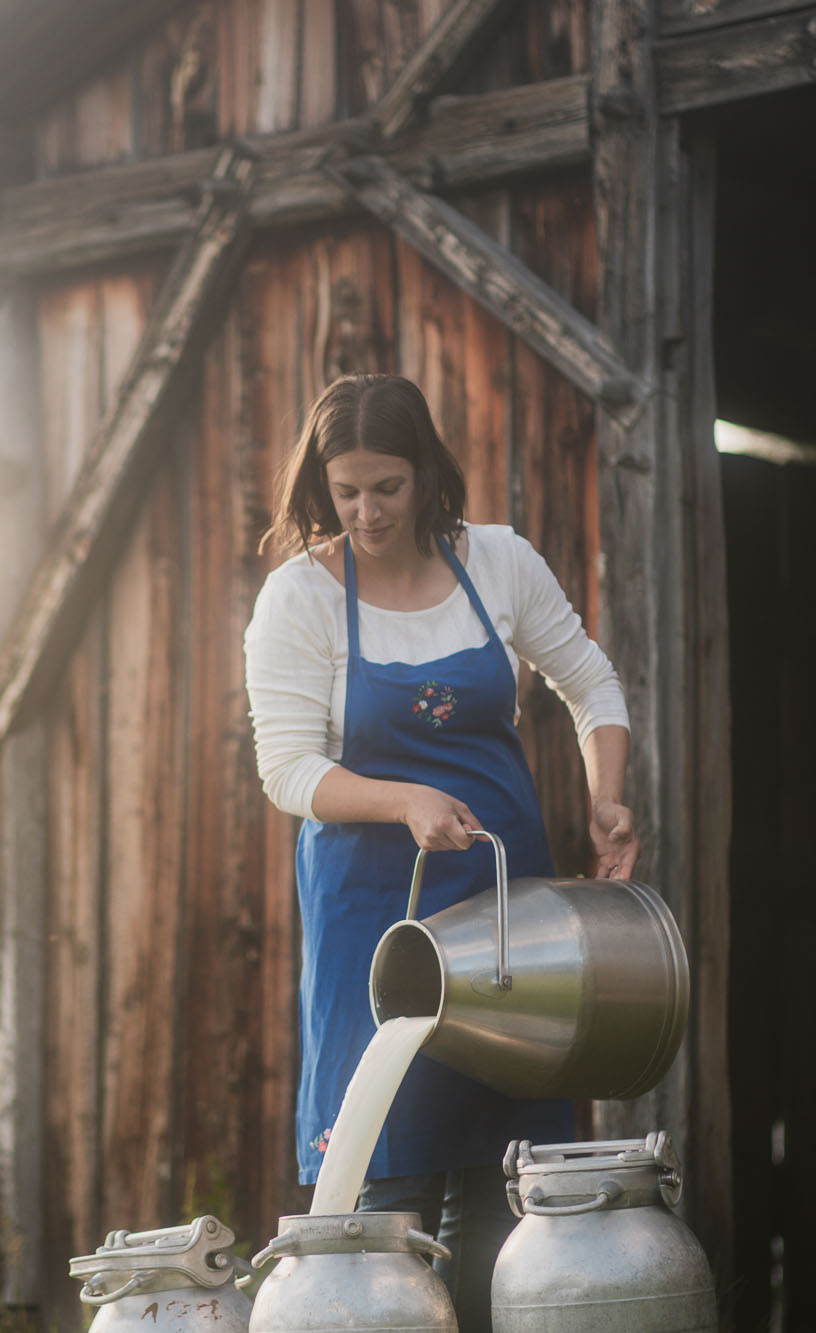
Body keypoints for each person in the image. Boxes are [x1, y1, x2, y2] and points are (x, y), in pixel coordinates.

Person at [243, 374, 639, 1331]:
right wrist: (401, 799)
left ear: (427, 472)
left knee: (505, 1189)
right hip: (375, 924)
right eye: (346, 491)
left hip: (507, 913)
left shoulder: (497, 562)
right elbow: (287, 769)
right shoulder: (298, 596)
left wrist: (606, 798)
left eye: (388, 486)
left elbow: (590, 682)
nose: (367, 512)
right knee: (387, 1189)